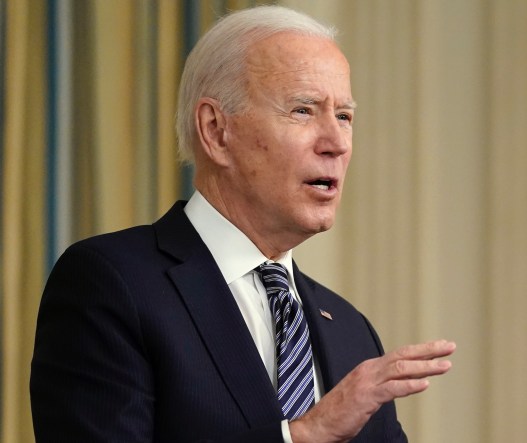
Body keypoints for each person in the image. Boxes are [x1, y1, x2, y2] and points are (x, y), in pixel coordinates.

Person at [30, 5, 455, 442]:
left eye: (344, 116)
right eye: (304, 110)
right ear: (216, 131)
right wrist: (301, 436)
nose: (336, 144)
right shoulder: (113, 283)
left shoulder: (351, 331)